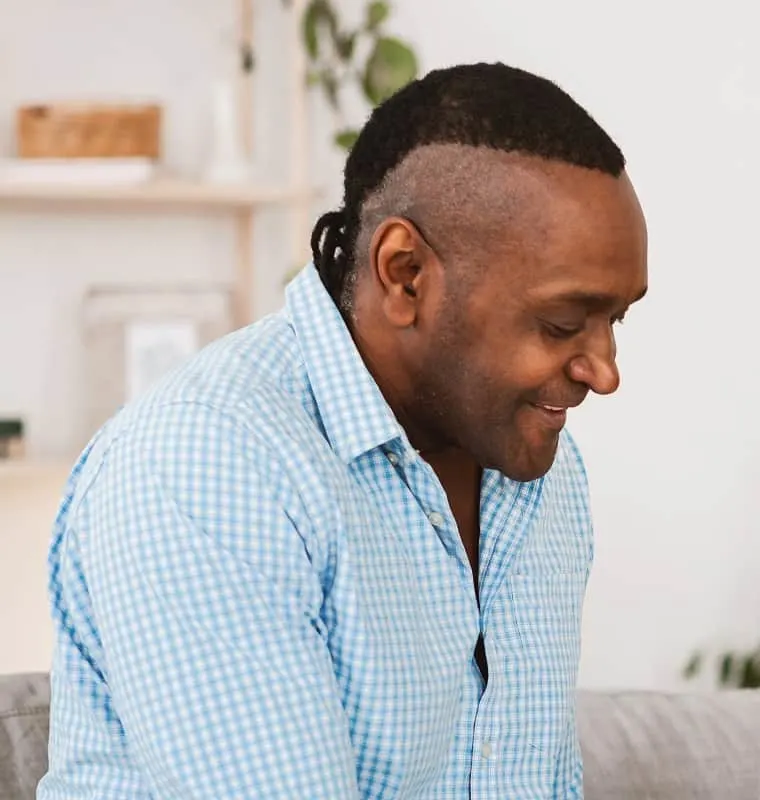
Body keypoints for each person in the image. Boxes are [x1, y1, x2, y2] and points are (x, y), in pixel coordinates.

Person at [38, 62, 648, 799]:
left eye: (616, 320)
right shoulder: (206, 465)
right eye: (561, 323)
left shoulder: (544, 472)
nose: (605, 371)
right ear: (405, 274)